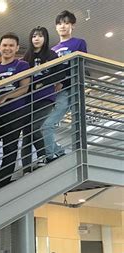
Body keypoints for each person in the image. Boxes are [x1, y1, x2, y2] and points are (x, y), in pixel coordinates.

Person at [0, 33, 30, 192]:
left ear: (16, 48)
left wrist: (6, 96)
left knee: (10, 148)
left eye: (11, 45)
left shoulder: (22, 65)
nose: (7, 48)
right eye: (5, 45)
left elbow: (24, 88)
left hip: (14, 111)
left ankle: (2, 183)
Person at [42, 10, 88, 162]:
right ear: (56, 27)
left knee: (77, 122)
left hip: (75, 87)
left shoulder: (79, 42)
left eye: (67, 23)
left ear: (72, 26)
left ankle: (77, 156)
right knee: (47, 125)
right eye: (60, 23)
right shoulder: (52, 50)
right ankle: (57, 153)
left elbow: (83, 63)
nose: (63, 26)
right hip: (60, 91)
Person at [22, 26, 64, 172]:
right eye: (34, 36)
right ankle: (26, 167)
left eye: (40, 36)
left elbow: (60, 74)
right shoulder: (26, 57)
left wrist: (42, 83)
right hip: (28, 100)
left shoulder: (51, 55)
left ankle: (43, 156)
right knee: (27, 133)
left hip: (45, 98)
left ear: (45, 38)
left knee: (35, 128)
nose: (37, 39)